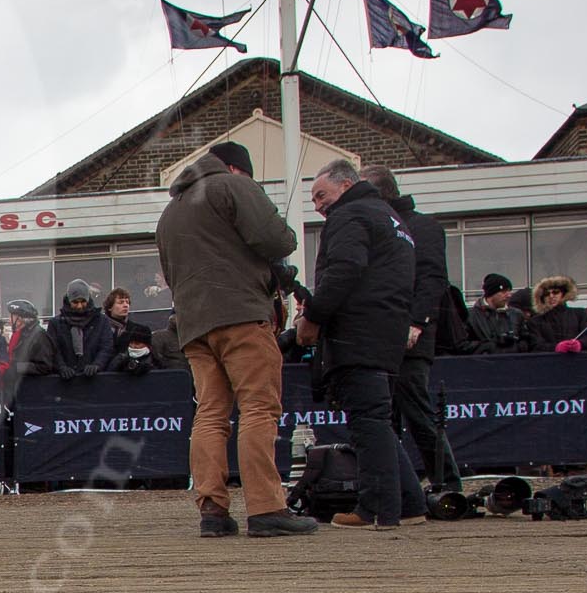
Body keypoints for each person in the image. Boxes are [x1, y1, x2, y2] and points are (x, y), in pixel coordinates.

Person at [155, 139, 317, 538]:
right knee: (259, 408)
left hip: (194, 325)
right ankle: (266, 508)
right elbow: (279, 240)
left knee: (210, 412)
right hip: (242, 315)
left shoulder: (170, 211)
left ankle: (212, 510)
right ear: (237, 168)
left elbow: (172, 274)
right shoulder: (233, 185)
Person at [298, 158, 421, 530]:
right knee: (379, 421)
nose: (318, 205)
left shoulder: (349, 217)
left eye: (321, 195)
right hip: (386, 330)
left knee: (367, 422)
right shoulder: (391, 219)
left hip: (356, 331)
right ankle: (411, 503)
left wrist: (314, 316)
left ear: (346, 186)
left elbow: (343, 270)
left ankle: (376, 510)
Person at [362, 165, 461, 493]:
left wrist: (417, 322)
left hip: (410, 335)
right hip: (382, 334)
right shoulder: (380, 227)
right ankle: (399, 487)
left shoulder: (423, 227)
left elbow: (433, 277)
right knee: (385, 415)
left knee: (416, 409)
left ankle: (447, 484)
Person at [46, 282, 117, 380]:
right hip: (65, 383)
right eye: (75, 302)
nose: (79, 306)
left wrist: (97, 365)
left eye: (83, 301)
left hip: (94, 380)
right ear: (68, 301)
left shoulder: (101, 321)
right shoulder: (55, 323)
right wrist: (61, 367)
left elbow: (106, 347)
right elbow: (53, 349)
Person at [0, 300, 55, 400]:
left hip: (33, 392)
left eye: (11, 316)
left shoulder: (39, 335)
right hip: (19, 390)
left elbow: (45, 366)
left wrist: (18, 367)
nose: (9, 320)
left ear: (20, 319)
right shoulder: (21, 334)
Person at [523, 276, 587, 353]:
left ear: (563, 293)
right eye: (546, 294)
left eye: (555, 292)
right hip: (550, 362)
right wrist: (556, 347)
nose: (551, 296)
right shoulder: (535, 321)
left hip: (578, 361)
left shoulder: (580, 314)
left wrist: (580, 344)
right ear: (542, 297)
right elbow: (535, 345)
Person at [466, 273, 526, 353]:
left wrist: (518, 347)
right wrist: (488, 347)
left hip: (512, 362)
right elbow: (463, 345)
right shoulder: (470, 316)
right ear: (491, 293)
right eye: (504, 291)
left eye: (509, 291)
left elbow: (526, 339)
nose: (509, 295)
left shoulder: (517, 314)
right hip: (484, 363)